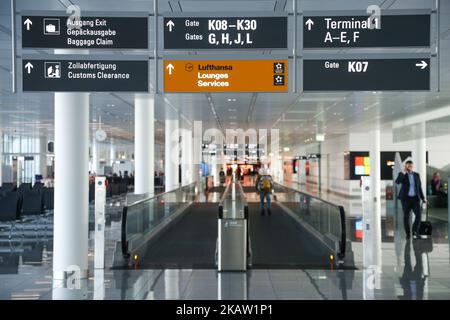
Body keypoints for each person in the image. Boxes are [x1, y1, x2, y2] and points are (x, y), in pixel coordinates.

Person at [395, 160, 427, 239]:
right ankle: (408, 234)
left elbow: (419, 187)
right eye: (408, 166)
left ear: (413, 166)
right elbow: (397, 182)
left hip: (415, 199)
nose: (410, 167)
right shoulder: (402, 174)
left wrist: (423, 198)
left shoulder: (416, 175)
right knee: (406, 216)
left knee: (418, 215)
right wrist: (403, 172)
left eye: (411, 166)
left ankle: (414, 231)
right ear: (405, 166)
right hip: (405, 199)